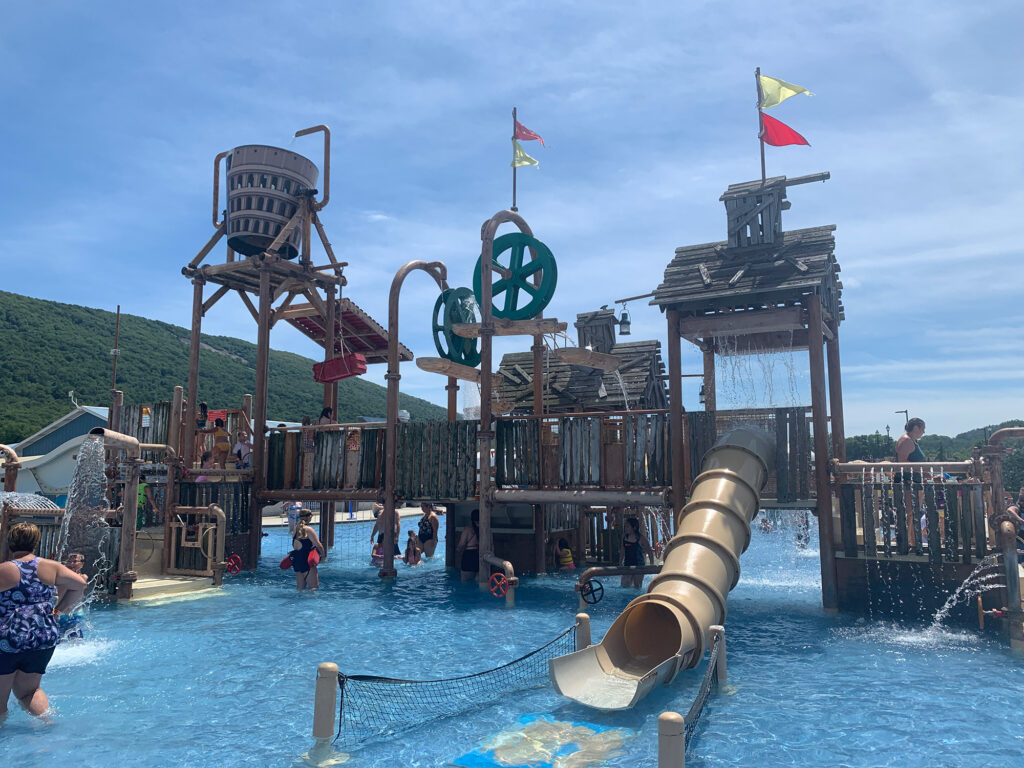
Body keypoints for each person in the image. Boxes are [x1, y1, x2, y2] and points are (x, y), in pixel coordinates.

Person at [1, 522, 87, 718]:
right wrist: (58, 610)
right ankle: (47, 723)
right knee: (29, 692)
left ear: (10, 542)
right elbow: (80, 585)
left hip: (8, 639)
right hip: (43, 635)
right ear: (36, 543)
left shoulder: (5, 570)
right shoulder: (51, 566)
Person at [288, 510, 325, 591]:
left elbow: (294, 545)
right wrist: (323, 556)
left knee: (300, 588)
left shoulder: (295, 529)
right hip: (307, 560)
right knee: (313, 587)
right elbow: (318, 545)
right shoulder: (308, 529)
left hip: (296, 559)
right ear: (309, 517)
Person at [56, 554, 86, 641]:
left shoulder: (83, 577)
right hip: (60, 613)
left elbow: (80, 583)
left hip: (75, 614)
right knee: (59, 640)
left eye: (75, 561)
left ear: (81, 564)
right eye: (69, 561)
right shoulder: (60, 577)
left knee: (75, 640)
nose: (71, 563)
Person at [620, 516, 654, 589]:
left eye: (628, 527)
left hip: (639, 565)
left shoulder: (641, 538)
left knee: (637, 587)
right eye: (625, 526)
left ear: (634, 527)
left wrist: (652, 565)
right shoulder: (624, 537)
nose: (625, 528)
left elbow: (649, 551)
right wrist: (620, 562)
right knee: (623, 585)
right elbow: (622, 550)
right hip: (627, 564)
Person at [456, 509, 480, 582]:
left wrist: (457, 550)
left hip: (469, 556)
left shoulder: (467, 529)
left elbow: (461, 544)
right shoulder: (484, 529)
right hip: (479, 556)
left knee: (465, 582)